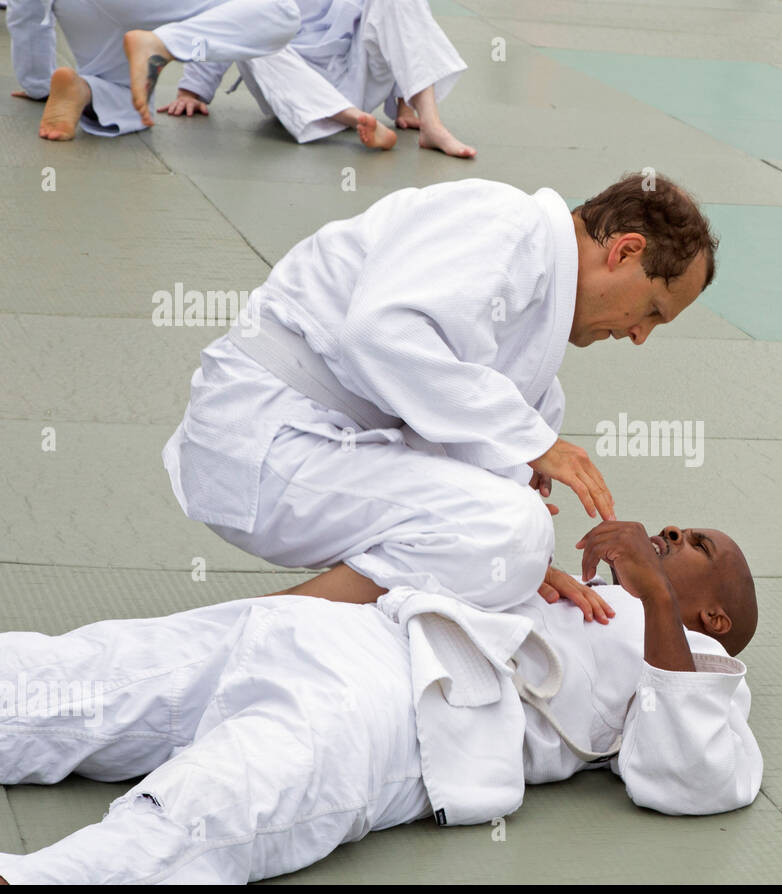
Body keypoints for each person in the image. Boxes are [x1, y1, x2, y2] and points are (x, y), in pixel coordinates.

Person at [0, 520, 760, 884]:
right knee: (88, 676)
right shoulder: (582, 595)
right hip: (338, 627)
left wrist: (655, 600)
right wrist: (520, 559)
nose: (672, 529)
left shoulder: (701, 663)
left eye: (701, 544)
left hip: (405, 704)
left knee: (216, 802)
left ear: (716, 616)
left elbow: (696, 777)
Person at [163, 174, 718, 606]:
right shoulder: (503, 223)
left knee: (513, 535)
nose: (640, 336)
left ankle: (276, 624)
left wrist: (526, 567)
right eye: (652, 311)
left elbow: (487, 499)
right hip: (268, 429)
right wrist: (531, 446)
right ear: (625, 251)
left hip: (320, 445)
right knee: (511, 528)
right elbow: (379, 333)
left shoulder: (536, 370)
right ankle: (251, 632)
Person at [159, 0, 474, 156]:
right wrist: (192, 91)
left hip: (354, 72)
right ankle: (356, 120)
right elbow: (224, 18)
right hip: (295, 84)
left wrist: (404, 100)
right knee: (251, 29)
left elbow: (393, 22)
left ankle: (431, 124)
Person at [8, 0, 301, 140]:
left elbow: (26, 13)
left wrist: (38, 84)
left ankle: (84, 89)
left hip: (77, 10)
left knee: (131, 98)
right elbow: (225, 31)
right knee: (282, 11)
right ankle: (164, 45)